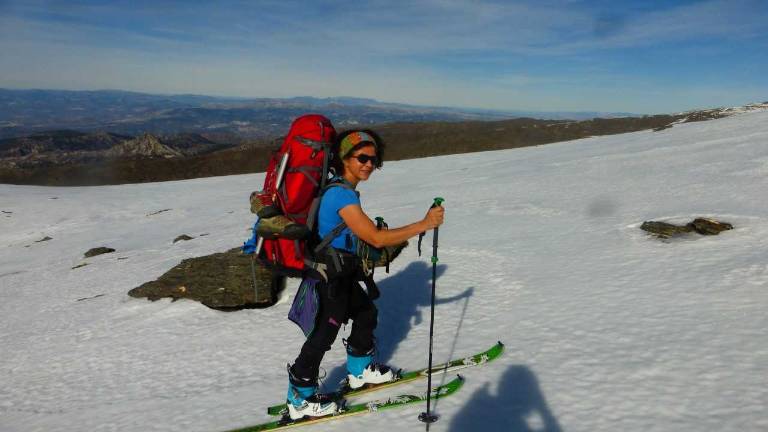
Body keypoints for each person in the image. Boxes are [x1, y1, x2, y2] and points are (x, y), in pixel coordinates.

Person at [285, 129, 445, 420]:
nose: (369, 164)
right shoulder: (340, 195)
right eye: (362, 157)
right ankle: (299, 396)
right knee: (323, 335)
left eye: (374, 159)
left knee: (365, 313)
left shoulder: (343, 190)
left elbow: (362, 233)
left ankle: (360, 372)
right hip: (329, 277)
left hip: (341, 272)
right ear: (345, 158)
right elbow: (375, 238)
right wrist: (424, 224)